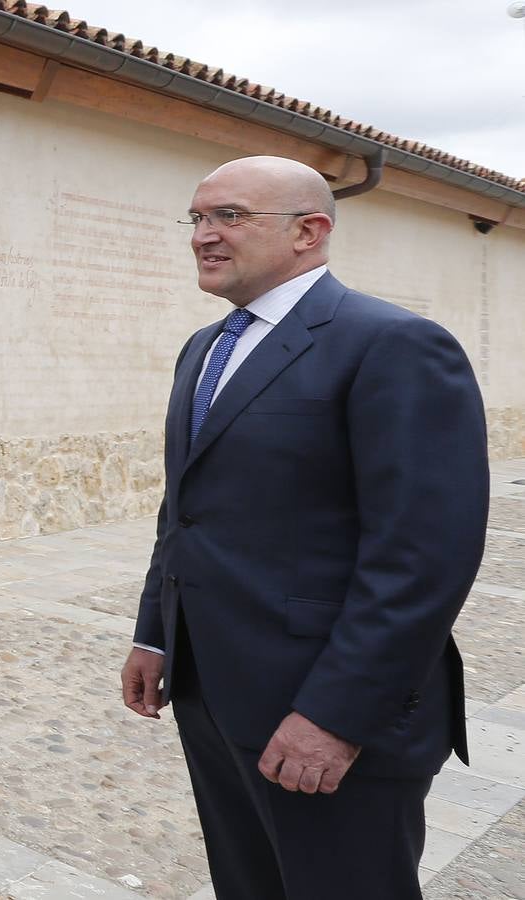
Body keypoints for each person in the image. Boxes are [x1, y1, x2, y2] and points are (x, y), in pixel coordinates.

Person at [120, 155, 489, 900]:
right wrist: (156, 632)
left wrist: (333, 715)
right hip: (214, 696)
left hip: (320, 709)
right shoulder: (204, 349)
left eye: (228, 216)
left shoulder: (391, 344)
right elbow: (184, 510)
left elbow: (420, 558)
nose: (203, 236)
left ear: (308, 232)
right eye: (196, 218)